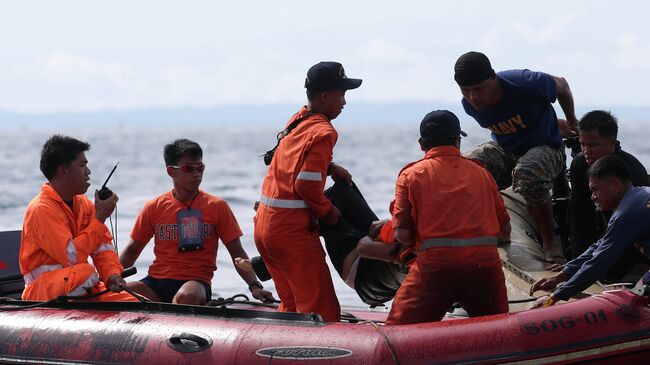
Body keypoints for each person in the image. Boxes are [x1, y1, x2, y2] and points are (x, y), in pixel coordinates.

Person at [254, 61, 361, 322]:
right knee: (320, 311)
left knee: (290, 306)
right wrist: (329, 213)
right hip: (292, 236)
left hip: (265, 230)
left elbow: (293, 160)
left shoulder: (298, 120)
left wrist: (330, 166)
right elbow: (306, 186)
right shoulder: (324, 132)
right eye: (342, 95)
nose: (344, 103)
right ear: (325, 97)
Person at [386, 110, 511, 325]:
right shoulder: (482, 173)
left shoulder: (410, 176)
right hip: (484, 266)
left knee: (395, 335)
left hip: (435, 267)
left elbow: (402, 234)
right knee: (498, 329)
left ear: (421, 144)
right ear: (457, 140)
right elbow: (504, 230)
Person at [454, 51, 578, 264]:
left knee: (527, 172)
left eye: (478, 89)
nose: (473, 97)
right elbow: (519, 122)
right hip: (508, 149)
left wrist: (572, 121)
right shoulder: (469, 106)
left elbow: (563, 86)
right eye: (466, 91)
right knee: (463, 168)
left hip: (548, 147)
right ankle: (487, 229)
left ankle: (551, 243)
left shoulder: (524, 82)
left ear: (493, 78)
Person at [120, 139, 274, 305]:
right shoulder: (154, 207)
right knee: (120, 293)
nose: (196, 174)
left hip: (195, 284)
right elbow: (132, 250)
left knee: (186, 297)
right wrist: (108, 278)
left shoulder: (217, 206)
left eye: (200, 168)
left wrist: (254, 286)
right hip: (156, 281)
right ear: (171, 171)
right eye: (189, 169)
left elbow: (236, 251)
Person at [238, 181, 407, 306]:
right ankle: (285, 217)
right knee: (343, 189)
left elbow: (364, 248)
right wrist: (385, 226)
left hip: (365, 276)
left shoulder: (414, 242)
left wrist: (373, 236)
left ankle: (267, 257)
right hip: (376, 263)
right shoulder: (420, 222)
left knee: (327, 217)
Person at [20, 135, 135, 301]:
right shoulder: (41, 209)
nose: (88, 172)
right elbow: (71, 257)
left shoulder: (84, 204)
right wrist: (100, 218)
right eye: (82, 165)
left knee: (132, 301)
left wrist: (112, 275)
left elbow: (103, 247)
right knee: (85, 272)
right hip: (42, 291)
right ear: (63, 171)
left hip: (80, 284)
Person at [530, 155, 650, 307]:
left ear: (614, 185)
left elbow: (599, 262)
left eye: (595, 189)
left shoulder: (627, 213)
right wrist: (562, 275)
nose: (593, 197)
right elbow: (600, 246)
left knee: (633, 301)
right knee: (637, 293)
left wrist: (554, 297)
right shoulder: (637, 199)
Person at [568, 110, 649, 278]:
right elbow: (578, 214)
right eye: (582, 144)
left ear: (612, 143)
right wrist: (574, 264)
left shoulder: (634, 172)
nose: (586, 151)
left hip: (634, 237)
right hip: (606, 230)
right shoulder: (580, 164)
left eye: (593, 145)